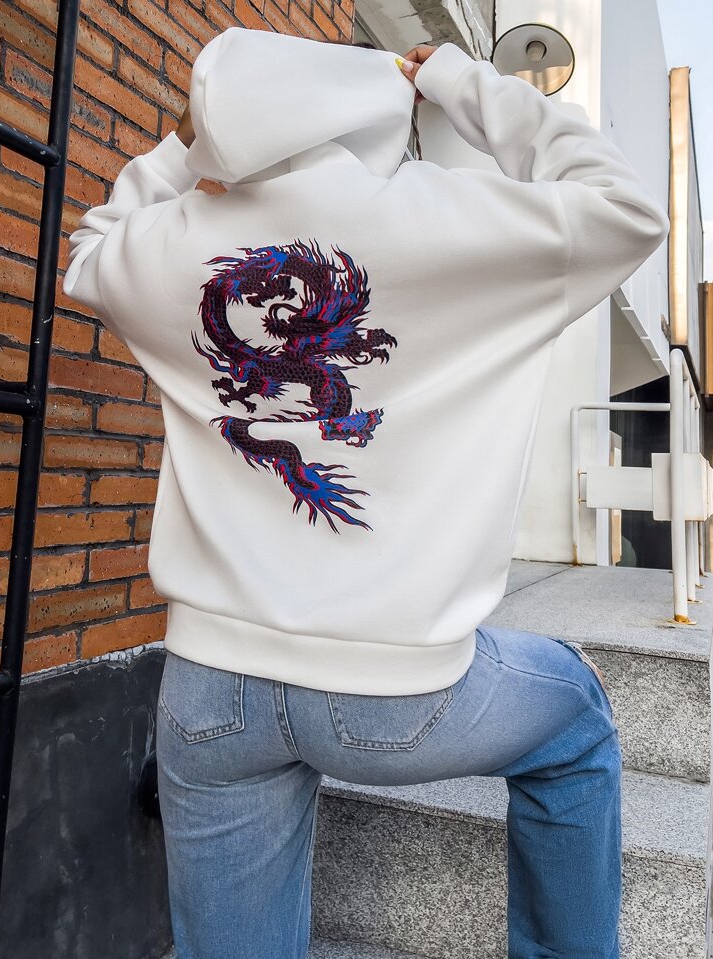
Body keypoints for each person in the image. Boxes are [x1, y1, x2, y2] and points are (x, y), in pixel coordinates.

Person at [62, 27, 669, 959]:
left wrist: (189, 146)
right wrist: (465, 82)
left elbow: (86, 250)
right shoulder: (459, 218)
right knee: (576, 718)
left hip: (209, 690)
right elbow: (627, 207)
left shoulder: (175, 242)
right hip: (396, 693)